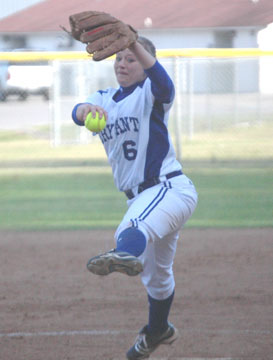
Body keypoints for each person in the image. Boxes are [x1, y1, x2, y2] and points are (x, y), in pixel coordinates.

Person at [71, 36, 198, 360]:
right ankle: (158, 330)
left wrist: (135, 44)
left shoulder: (151, 94)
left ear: (144, 65)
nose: (122, 64)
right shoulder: (104, 97)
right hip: (141, 197)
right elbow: (77, 112)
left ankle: (123, 253)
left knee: (133, 226)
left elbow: (163, 82)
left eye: (130, 59)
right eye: (119, 59)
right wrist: (85, 110)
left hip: (167, 188)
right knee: (157, 277)